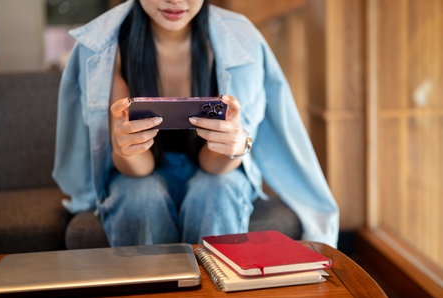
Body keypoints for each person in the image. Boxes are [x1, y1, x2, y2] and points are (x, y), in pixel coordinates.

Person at [53, 0, 339, 247]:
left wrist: (234, 145)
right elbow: (140, 169)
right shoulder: (107, 48)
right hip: (138, 175)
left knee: (218, 190)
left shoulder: (239, 41)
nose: (174, 1)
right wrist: (124, 147)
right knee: (139, 195)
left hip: (215, 172)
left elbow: (213, 166)